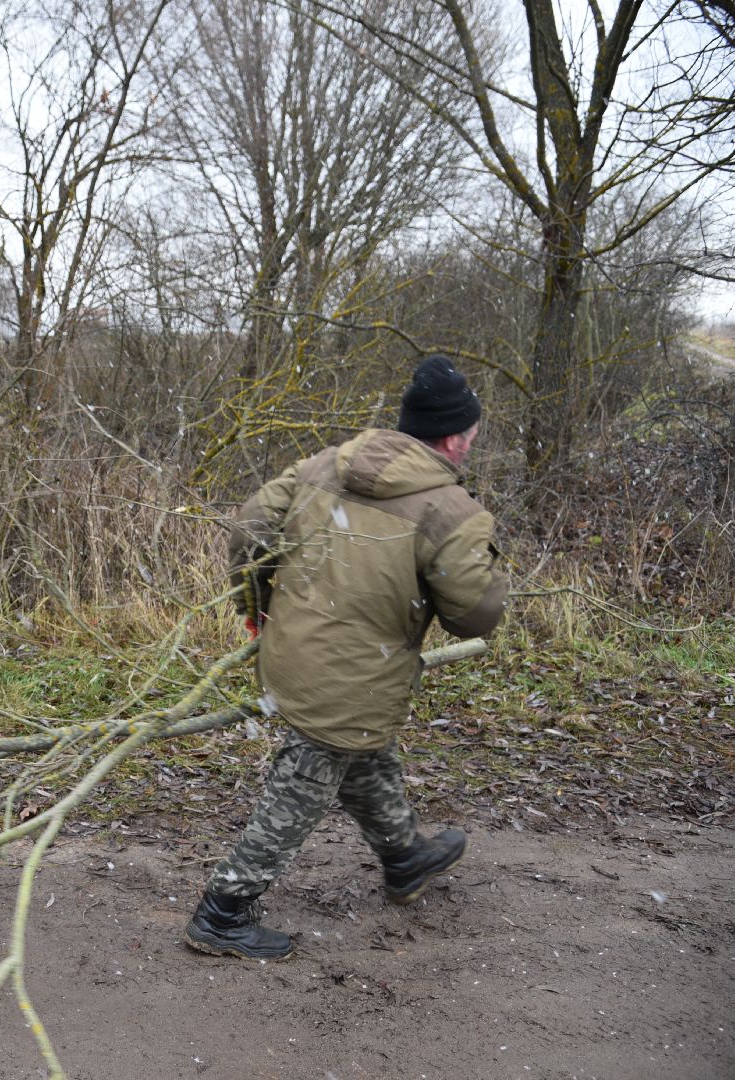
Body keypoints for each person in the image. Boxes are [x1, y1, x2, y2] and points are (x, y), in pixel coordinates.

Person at [185, 355, 510, 962]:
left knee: (361, 748)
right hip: (355, 674)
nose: (471, 441)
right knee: (306, 779)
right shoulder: (450, 511)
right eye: (472, 432)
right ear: (455, 437)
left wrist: (258, 607)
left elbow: (249, 530)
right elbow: (477, 614)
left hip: (295, 653)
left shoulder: (323, 466)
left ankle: (404, 858)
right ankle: (223, 910)